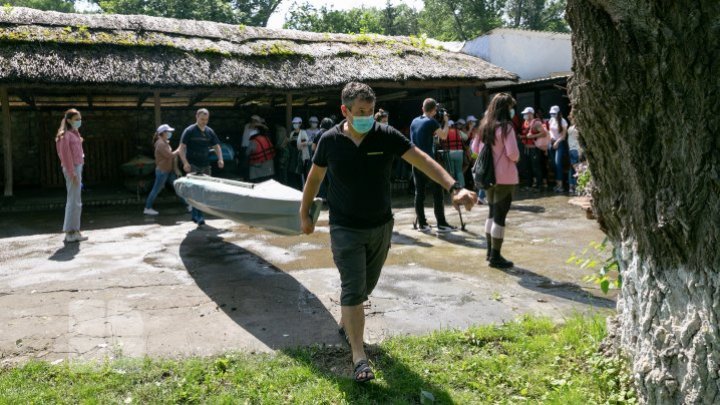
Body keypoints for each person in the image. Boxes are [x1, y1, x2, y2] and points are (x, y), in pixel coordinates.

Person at [300, 82, 476, 383]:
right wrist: (305, 214)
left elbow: (422, 160)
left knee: (365, 287)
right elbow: (315, 178)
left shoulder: (386, 136)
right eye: (360, 112)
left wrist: (454, 187)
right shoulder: (329, 141)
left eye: (370, 111)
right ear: (345, 111)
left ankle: (347, 320)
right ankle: (358, 356)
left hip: (381, 225)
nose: (367, 116)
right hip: (344, 227)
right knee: (353, 287)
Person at [476, 93, 520, 268]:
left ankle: (489, 252)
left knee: (491, 213)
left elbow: (474, 149)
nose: (511, 110)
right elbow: (513, 154)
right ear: (505, 108)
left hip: (488, 176)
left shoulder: (484, 126)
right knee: (500, 217)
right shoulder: (506, 128)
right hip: (505, 177)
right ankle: (496, 256)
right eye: (510, 107)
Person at [410, 98, 454, 232]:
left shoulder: (414, 121)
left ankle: (422, 224)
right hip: (428, 161)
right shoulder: (432, 122)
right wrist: (446, 122)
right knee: (438, 192)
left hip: (415, 160)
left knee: (419, 193)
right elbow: (444, 136)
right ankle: (441, 224)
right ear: (434, 110)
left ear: (422, 108)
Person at [178, 108, 224, 226]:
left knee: (204, 191)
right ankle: (199, 217)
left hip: (205, 165)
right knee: (195, 191)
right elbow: (181, 148)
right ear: (196, 117)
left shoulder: (209, 131)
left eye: (206, 119)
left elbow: (216, 146)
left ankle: (196, 215)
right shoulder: (189, 130)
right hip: (193, 165)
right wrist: (185, 163)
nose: (204, 121)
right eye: (202, 119)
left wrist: (220, 159)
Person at [55, 108, 88, 243]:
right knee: (73, 201)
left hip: (77, 168)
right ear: (69, 120)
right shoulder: (65, 136)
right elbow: (65, 156)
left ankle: (75, 230)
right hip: (72, 169)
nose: (79, 121)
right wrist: (72, 172)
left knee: (76, 201)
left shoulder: (74, 133)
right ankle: (70, 232)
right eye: (76, 119)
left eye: (80, 119)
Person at [144, 124, 181, 215]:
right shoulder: (161, 144)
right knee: (156, 190)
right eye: (168, 131)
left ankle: (189, 205)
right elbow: (170, 155)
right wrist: (180, 149)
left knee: (177, 188)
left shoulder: (164, 142)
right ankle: (147, 208)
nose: (170, 133)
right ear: (163, 133)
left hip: (167, 171)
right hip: (162, 171)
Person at [519, 107, 549, 191]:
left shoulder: (536, 122)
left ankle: (539, 186)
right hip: (526, 148)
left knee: (536, 167)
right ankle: (529, 185)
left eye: (526, 113)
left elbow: (543, 133)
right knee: (527, 167)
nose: (524, 115)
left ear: (531, 114)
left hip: (534, 149)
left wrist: (532, 136)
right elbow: (526, 134)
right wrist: (523, 137)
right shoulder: (525, 122)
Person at [439, 118, 467, 188]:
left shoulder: (444, 132)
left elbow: (438, 141)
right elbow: (466, 137)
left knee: (451, 172)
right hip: (459, 153)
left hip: (449, 153)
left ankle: (452, 187)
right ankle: (462, 186)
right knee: (459, 171)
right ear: (453, 125)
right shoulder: (458, 131)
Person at [547, 105, 569, 193]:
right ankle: (557, 183)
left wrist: (557, 142)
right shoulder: (551, 120)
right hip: (552, 142)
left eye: (554, 113)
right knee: (553, 163)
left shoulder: (563, 121)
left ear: (558, 113)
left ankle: (560, 185)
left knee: (558, 163)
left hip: (560, 143)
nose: (552, 115)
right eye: (551, 113)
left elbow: (563, 136)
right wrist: (552, 138)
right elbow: (550, 131)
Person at [246, 118, 275, 183]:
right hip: (269, 169)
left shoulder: (254, 141)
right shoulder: (266, 138)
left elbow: (247, 153)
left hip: (258, 170)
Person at [287, 117, 306, 189]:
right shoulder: (292, 133)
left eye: (296, 123)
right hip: (293, 156)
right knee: (293, 173)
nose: (295, 124)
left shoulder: (303, 132)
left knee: (300, 173)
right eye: (294, 123)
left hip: (300, 155)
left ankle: (301, 189)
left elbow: (304, 144)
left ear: (300, 124)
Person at [567, 111, 582, 195]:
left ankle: (571, 187)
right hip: (576, 150)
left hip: (571, 150)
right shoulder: (576, 129)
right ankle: (578, 187)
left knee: (572, 169)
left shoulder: (570, 128)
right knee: (578, 169)